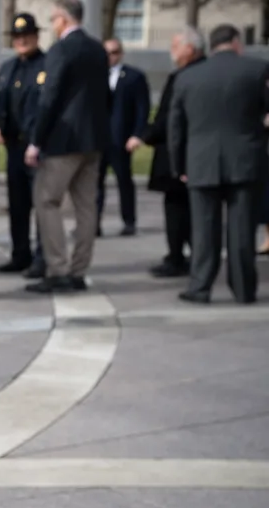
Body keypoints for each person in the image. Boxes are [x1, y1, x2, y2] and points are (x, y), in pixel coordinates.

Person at [168, 24, 269, 304]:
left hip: (201, 161)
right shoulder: (257, 69)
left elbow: (176, 128)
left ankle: (200, 287)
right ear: (236, 43)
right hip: (245, 160)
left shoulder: (186, 77)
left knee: (204, 231)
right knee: (242, 231)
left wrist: (180, 166)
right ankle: (243, 289)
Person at [25, 0, 111, 294]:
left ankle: (57, 268)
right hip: (94, 139)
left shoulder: (61, 50)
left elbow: (50, 97)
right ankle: (78, 270)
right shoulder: (98, 50)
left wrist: (37, 140)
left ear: (62, 18)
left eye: (53, 19)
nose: (52, 24)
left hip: (64, 141)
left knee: (47, 201)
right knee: (87, 207)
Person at [139, 27, 205, 278]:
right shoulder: (203, 73)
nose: (172, 52)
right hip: (199, 152)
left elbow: (169, 117)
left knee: (177, 209)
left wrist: (147, 135)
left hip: (176, 154)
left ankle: (177, 256)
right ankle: (195, 255)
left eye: (176, 46)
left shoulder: (181, 78)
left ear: (190, 48)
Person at [0, 13, 47, 278]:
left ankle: (42, 257)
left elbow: (46, 108)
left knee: (42, 204)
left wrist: (36, 139)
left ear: (36, 36)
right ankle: (20, 253)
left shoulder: (46, 66)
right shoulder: (8, 68)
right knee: (17, 204)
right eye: (17, 37)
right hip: (14, 145)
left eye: (26, 36)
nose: (22, 41)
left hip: (38, 146)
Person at [99, 37, 150, 237]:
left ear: (120, 54)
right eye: (107, 53)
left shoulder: (133, 77)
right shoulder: (95, 77)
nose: (111, 57)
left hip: (121, 139)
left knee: (124, 181)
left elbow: (141, 109)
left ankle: (129, 220)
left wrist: (137, 134)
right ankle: (93, 223)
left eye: (114, 52)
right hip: (99, 139)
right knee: (95, 183)